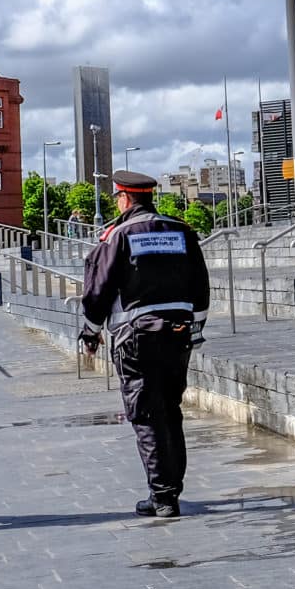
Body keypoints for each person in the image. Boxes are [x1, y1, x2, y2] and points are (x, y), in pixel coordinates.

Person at [77, 170, 210, 518]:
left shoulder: (118, 234)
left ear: (124, 197)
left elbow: (98, 290)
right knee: (170, 409)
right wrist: (195, 328)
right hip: (178, 333)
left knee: (146, 414)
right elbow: (201, 285)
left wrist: (90, 334)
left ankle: (163, 496)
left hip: (135, 337)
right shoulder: (181, 230)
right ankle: (171, 488)